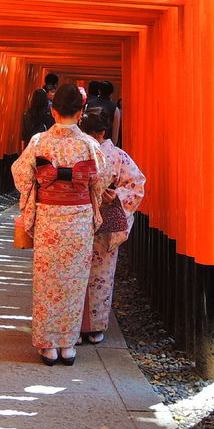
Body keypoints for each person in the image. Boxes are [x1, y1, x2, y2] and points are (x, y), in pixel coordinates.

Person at [12, 85, 108, 366]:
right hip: (78, 219)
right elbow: (98, 181)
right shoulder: (89, 144)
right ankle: (68, 345)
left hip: (49, 219)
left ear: (53, 111)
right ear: (81, 112)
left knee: (47, 282)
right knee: (75, 283)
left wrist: (40, 189)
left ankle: (48, 346)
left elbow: (20, 174)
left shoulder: (40, 142)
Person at [77, 107, 146, 344]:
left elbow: (136, 184)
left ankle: (76, 324)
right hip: (101, 222)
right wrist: (117, 197)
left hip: (79, 220)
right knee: (100, 275)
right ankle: (94, 327)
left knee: (78, 273)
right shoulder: (118, 155)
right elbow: (136, 184)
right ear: (105, 131)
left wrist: (113, 195)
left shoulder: (78, 152)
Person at [92, 81, 121, 146]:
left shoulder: (91, 104)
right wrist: (113, 146)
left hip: (91, 141)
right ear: (111, 93)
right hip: (106, 143)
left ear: (99, 91)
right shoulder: (114, 108)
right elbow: (115, 130)